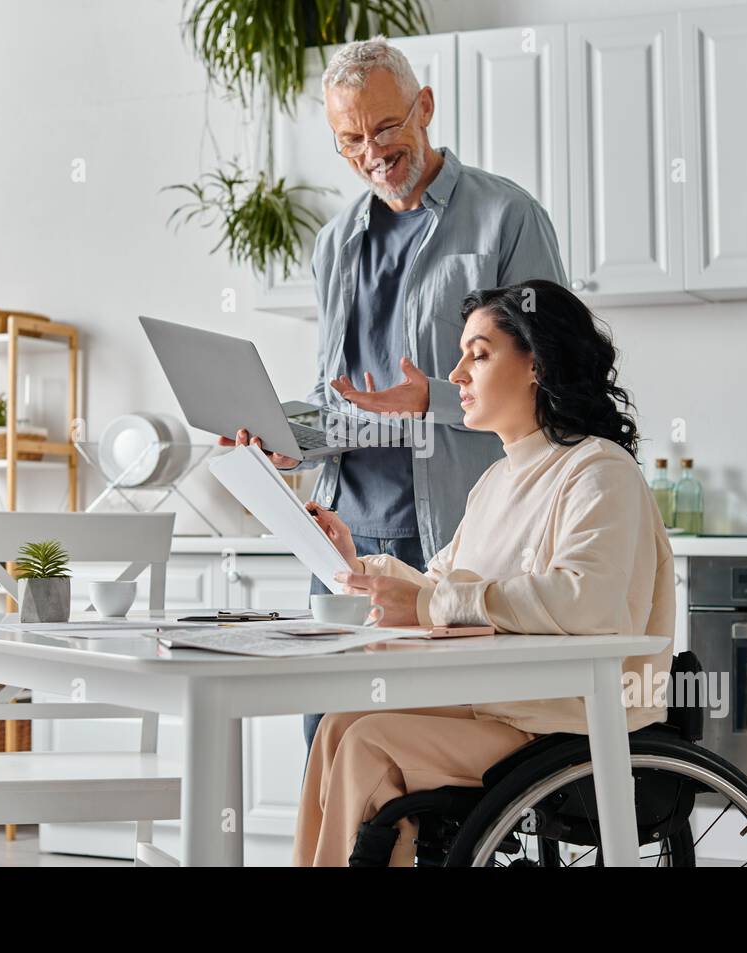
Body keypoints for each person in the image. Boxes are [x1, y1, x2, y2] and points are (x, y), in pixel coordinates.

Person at [219, 36, 567, 750]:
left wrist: (434, 398)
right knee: (332, 736)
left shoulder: (507, 217)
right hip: (346, 536)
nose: (371, 153)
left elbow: (553, 374)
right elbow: (337, 392)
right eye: (350, 140)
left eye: (384, 128)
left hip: (457, 532)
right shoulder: (338, 241)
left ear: (425, 108)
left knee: (439, 747)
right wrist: (284, 440)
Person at [290, 280, 676, 867]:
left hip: (571, 719)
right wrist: (352, 562)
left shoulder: (598, 470)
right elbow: (441, 585)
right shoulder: (495, 480)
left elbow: (585, 603)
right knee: (341, 723)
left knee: (371, 743)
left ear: (536, 364)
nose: (457, 374)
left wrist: (428, 607)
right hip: (512, 707)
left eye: (479, 353)